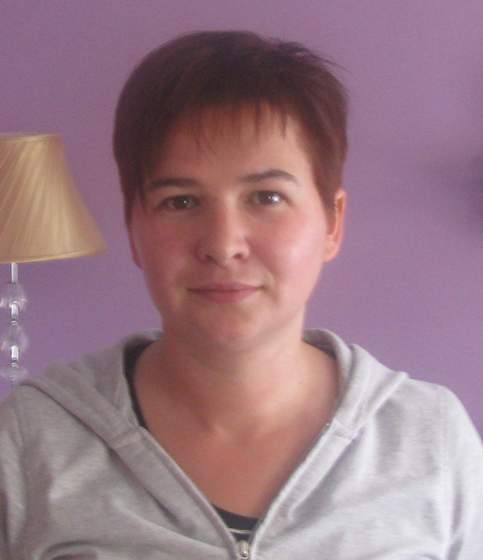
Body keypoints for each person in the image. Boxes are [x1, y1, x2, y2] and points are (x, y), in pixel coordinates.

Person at [0, 30, 482, 560]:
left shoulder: (432, 437)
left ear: (332, 223)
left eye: (267, 197)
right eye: (181, 201)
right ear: (134, 229)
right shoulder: (30, 438)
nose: (223, 244)